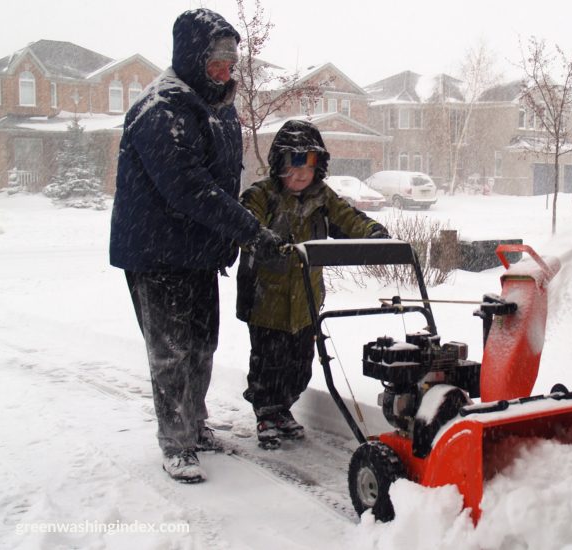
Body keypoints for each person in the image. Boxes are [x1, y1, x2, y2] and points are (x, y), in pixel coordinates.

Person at [109, 9, 282, 483]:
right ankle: (176, 442)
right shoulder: (161, 108)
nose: (225, 70)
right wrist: (248, 231)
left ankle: (195, 424)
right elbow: (189, 187)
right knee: (172, 351)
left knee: (203, 345)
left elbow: (223, 180)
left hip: (198, 252)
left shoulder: (217, 106)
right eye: (216, 61)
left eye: (231, 61)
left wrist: (236, 230)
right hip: (157, 251)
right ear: (192, 57)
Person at [236, 120, 389, 449]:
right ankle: (267, 412)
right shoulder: (262, 195)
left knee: (300, 365)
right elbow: (247, 223)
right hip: (267, 302)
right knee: (268, 363)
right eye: (293, 164)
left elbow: (348, 218)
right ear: (278, 164)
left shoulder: (322, 197)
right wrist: (263, 240)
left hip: (305, 301)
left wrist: (373, 233)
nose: (301, 173)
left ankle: (284, 408)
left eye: (308, 166)